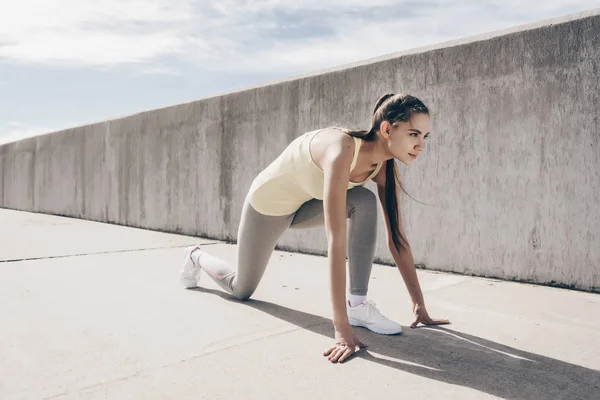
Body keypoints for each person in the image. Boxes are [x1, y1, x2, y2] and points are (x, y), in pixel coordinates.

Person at [179, 93, 449, 363]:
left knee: (364, 202)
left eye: (425, 137)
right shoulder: (341, 149)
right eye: (414, 134)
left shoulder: (383, 166)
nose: (421, 145)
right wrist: (341, 331)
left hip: (306, 204)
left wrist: (419, 306)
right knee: (241, 289)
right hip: (268, 207)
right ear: (387, 129)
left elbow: (397, 238)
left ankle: (358, 305)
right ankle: (195, 255)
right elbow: (336, 243)